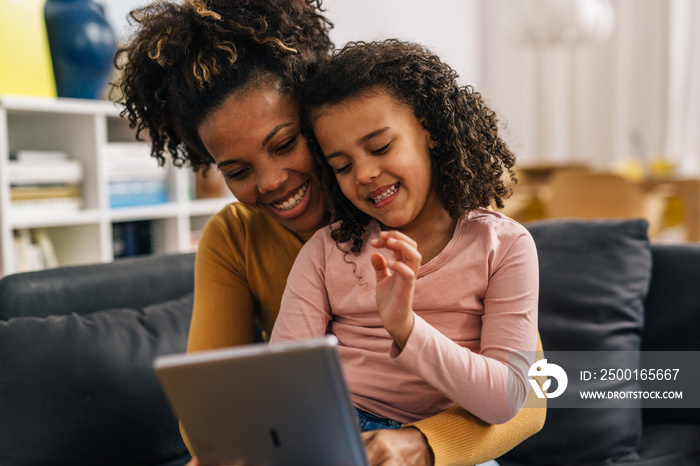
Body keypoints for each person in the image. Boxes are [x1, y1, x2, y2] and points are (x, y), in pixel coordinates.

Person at [114, 1, 546, 465]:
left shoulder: (487, 241)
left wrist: (421, 444)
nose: (271, 182)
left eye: (284, 144)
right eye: (237, 171)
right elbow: (211, 411)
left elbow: (529, 399)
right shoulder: (243, 240)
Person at [270, 38, 539, 448]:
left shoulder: (503, 247)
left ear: (429, 131)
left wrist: (407, 328)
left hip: (446, 444)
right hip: (342, 432)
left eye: (380, 147)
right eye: (341, 166)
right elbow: (284, 379)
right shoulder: (329, 251)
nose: (363, 174)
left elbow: (507, 399)